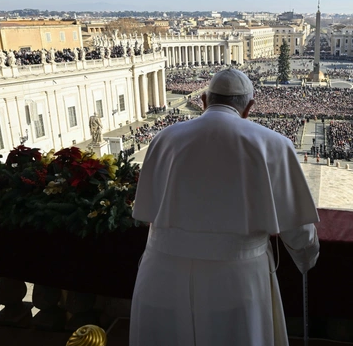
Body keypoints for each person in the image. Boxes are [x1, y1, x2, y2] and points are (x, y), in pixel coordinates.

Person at [131, 68, 320, 346]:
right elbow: (298, 230)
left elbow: (146, 211)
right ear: (249, 108)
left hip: (161, 275)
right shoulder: (274, 144)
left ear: (205, 100)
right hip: (236, 280)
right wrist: (307, 258)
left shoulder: (163, 139)